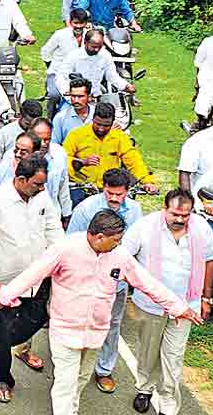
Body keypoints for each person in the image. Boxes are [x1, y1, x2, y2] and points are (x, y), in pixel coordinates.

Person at [0, 210, 200, 415]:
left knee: (81, 378)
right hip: (65, 332)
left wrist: (178, 307)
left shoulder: (119, 255)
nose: (119, 244)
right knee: (65, 384)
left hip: (96, 334)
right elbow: (31, 275)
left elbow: (148, 283)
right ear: (99, 237)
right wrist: (2, 298)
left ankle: (72, 409)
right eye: (115, 239)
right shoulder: (65, 249)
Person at [0, 154, 65, 402]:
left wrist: (64, 263)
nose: (42, 188)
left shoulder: (42, 198)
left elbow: (54, 232)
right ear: (21, 179)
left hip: (37, 280)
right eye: (37, 183)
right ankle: (2, 378)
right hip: (3, 284)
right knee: (3, 334)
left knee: (37, 320)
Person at [122, 189, 213, 415]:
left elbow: (210, 260)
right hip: (150, 305)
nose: (180, 219)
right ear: (164, 209)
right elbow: (124, 257)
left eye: (185, 215)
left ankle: (168, 404)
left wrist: (206, 297)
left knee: (173, 358)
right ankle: (144, 389)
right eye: (175, 213)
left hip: (187, 306)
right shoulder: (144, 227)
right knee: (148, 352)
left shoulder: (201, 228)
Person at [65, 168, 144, 394]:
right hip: (84, 281)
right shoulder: (86, 209)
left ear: (128, 192)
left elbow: (137, 247)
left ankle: (104, 370)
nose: (114, 198)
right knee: (80, 321)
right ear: (103, 188)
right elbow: (71, 242)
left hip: (116, 283)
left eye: (119, 194)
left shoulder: (135, 211)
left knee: (112, 324)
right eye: (110, 193)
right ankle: (73, 366)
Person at [62, 101, 153, 203]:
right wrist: (82, 162)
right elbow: (63, 159)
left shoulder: (119, 137)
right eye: (98, 124)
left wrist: (147, 181)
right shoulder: (76, 135)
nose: (101, 129)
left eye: (106, 125)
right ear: (92, 119)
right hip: (81, 188)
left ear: (113, 122)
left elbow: (134, 160)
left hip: (108, 190)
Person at [56, 28, 133, 99]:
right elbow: (62, 77)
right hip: (75, 98)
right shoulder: (73, 55)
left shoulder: (105, 55)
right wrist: (67, 91)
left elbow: (112, 76)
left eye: (99, 47)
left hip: (95, 96)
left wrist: (125, 85)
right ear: (85, 42)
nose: (96, 50)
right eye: (93, 47)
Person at [0, 99, 44, 167]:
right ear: (20, 116)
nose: (31, 127)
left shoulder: (43, 133)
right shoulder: (3, 133)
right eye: (27, 123)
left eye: (35, 124)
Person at [53, 77, 95, 145]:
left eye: (80, 96)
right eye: (73, 96)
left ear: (89, 97)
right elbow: (54, 144)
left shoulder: (97, 114)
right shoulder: (60, 118)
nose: (76, 100)